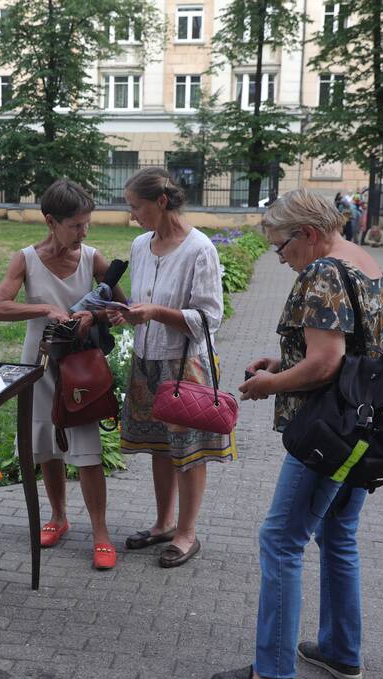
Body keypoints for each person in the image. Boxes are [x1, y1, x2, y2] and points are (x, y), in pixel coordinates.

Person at [209, 188, 383, 679]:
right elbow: (354, 350)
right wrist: (280, 363)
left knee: (281, 539)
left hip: (328, 434)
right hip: (367, 426)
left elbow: (325, 363)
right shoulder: (364, 263)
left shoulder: (322, 273)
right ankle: (342, 651)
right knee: (338, 534)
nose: (281, 258)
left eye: (282, 246)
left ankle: (271, 671)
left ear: (309, 234)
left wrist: (270, 384)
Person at [107, 167, 237, 569]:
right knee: (159, 447)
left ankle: (186, 533)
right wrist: (128, 315)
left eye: (135, 207)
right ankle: (164, 524)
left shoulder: (200, 249)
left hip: (185, 365)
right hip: (146, 361)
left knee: (188, 452)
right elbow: (142, 306)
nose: (131, 216)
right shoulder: (140, 245)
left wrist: (157, 312)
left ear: (161, 202)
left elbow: (209, 318)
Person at [0, 179, 121, 570]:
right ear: (51, 221)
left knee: (87, 450)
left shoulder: (93, 258)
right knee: (46, 444)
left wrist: (94, 314)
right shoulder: (25, 259)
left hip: (79, 367)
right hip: (41, 363)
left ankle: (100, 533)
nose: (84, 232)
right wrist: (45, 309)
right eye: (76, 225)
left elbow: (121, 308)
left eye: (87, 224)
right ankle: (58, 517)